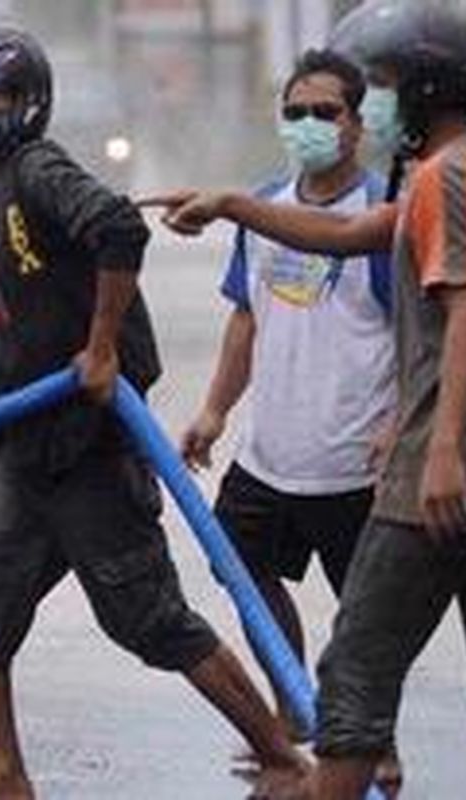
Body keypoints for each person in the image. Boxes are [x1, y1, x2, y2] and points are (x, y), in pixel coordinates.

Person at [0, 23, 307, 800]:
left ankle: (281, 759)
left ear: (22, 104)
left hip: (91, 450)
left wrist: (101, 349)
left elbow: (117, 227)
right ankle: (3, 774)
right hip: (25, 455)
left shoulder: (38, 170)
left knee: (151, 621)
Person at [147, 2, 466, 797]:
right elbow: (350, 236)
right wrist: (233, 205)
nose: (373, 102)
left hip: (440, 472)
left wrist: (443, 444)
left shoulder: (450, 179)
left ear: (423, 89)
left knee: (353, 672)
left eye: (381, 86)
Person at [179, 48, 402, 791]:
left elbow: (418, 338)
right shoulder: (265, 208)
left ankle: (373, 743)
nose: (309, 125)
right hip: (269, 454)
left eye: (325, 112)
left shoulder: (383, 218)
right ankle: (292, 711)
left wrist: (401, 422)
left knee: (367, 617)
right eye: (296, 113)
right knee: (243, 574)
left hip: (353, 460)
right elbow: (247, 318)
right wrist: (213, 411)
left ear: (358, 124)